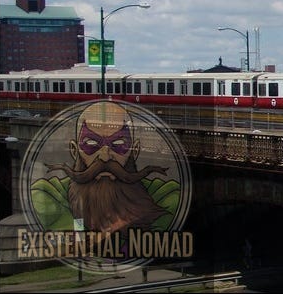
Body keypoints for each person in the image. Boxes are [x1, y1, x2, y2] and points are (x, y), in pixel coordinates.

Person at [30, 101, 180, 238]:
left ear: (134, 151)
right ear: (75, 151)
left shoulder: (167, 197)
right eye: (91, 143)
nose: (105, 156)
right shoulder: (51, 195)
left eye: (119, 143)